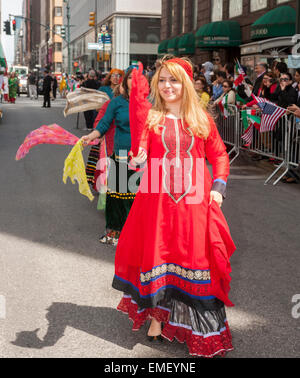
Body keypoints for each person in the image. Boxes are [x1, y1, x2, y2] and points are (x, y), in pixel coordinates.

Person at [109, 57, 235, 358]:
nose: (167, 86)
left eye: (174, 80)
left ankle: (201, 328)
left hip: (195, 205)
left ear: (187, 84)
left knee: (195, 260)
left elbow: (219, 157)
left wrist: (219, 188)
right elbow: (141, 155)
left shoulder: (202, 120)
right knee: (160, 258)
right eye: (162, 80)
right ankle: (156, 319)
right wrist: (136, 160)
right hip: (157, 206)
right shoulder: (152, 119)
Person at [81, 68, 139, 246]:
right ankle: (113, 233)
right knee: (116, 197)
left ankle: (135, 235)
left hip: (141, 158)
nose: (133, 81)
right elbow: (104, 123)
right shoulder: (117, 103)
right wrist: (91, 136)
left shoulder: (147, 104)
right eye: (129, 77)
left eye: (138, 78)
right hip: (121, 155)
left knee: (136, 198)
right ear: (124, 82)